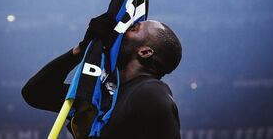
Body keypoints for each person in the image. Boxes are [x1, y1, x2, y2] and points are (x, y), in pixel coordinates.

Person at [22, 14, 183, 139]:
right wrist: (82, 49)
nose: (123, 30)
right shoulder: (103, 95)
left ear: (145, 52)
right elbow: (35, 92)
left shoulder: (150, 92)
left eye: (133, 29)